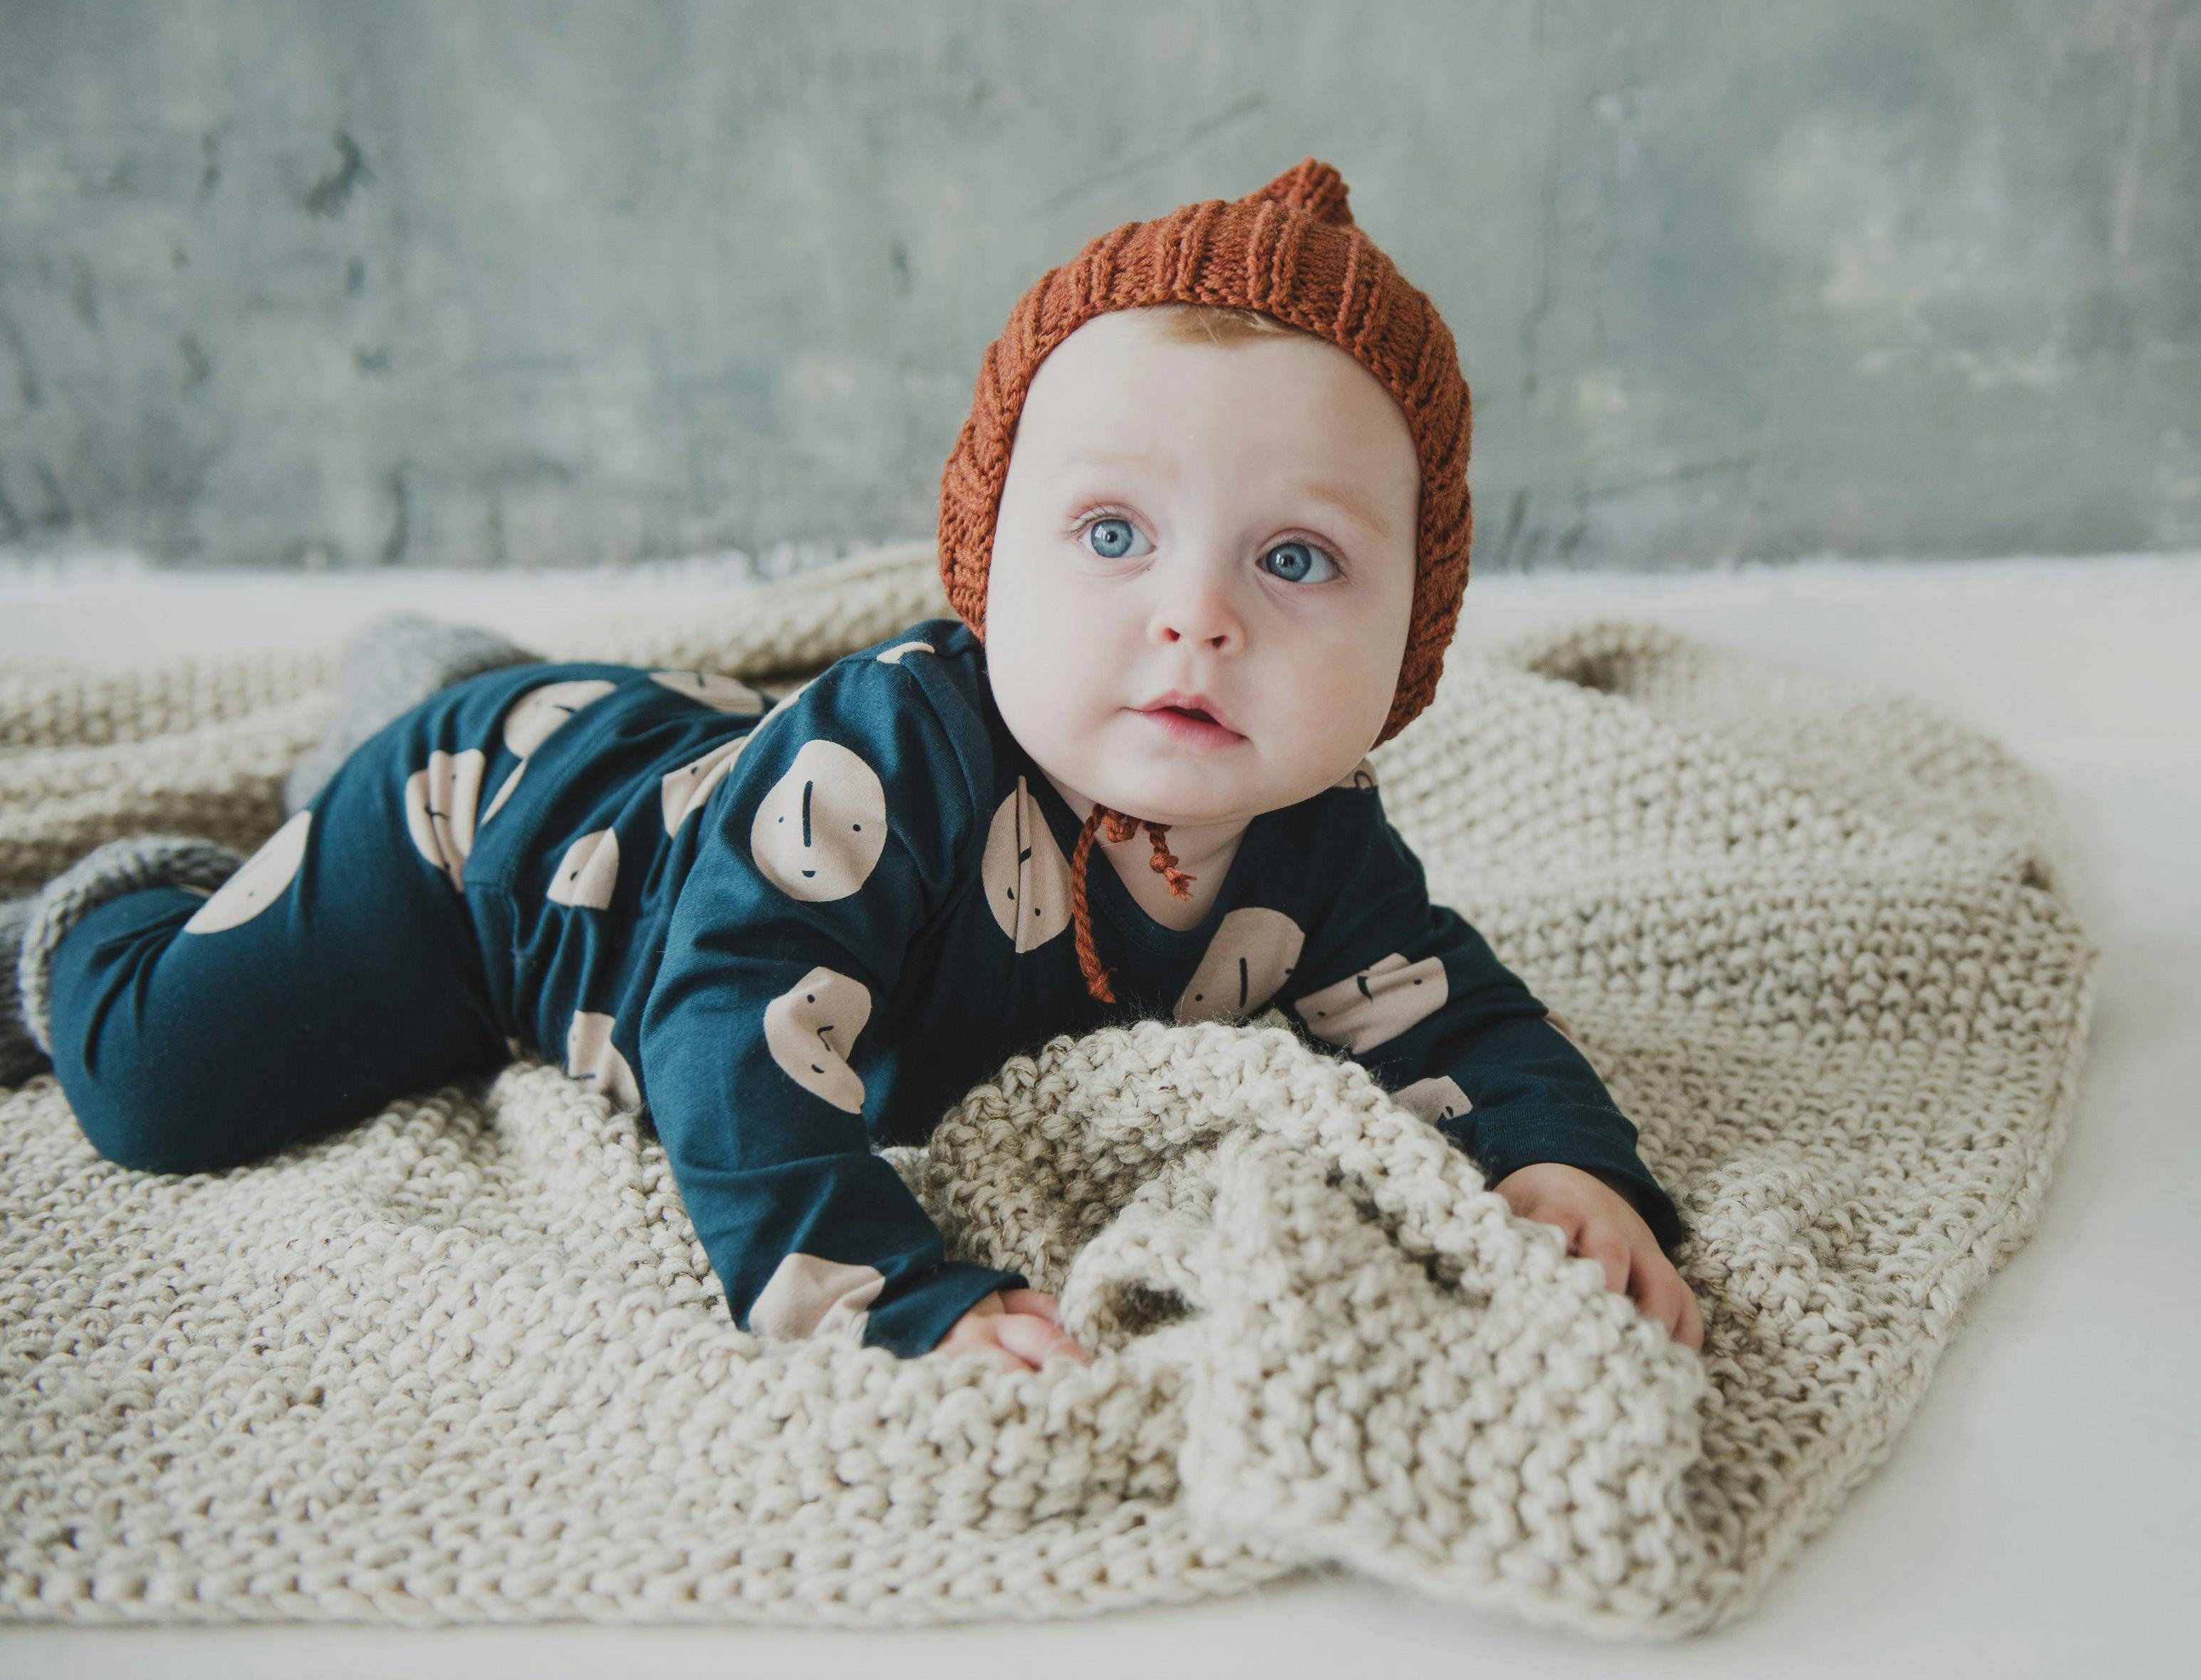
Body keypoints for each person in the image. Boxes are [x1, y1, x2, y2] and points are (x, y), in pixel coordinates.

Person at [1, 158, 1705, 1370]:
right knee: (158, 1087)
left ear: (1417, 639)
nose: (1194, 620)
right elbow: (730, 1027)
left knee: (677, 773)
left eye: (1297, 560)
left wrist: (1560, 1164)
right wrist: (892, 1293)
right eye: (1113, 531)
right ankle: (174, 871)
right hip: (495, 853)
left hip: (673, 764)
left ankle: (454, 674)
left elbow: (1452, 1010)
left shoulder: (1318, 831)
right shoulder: (894, 754)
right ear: (985, 564)